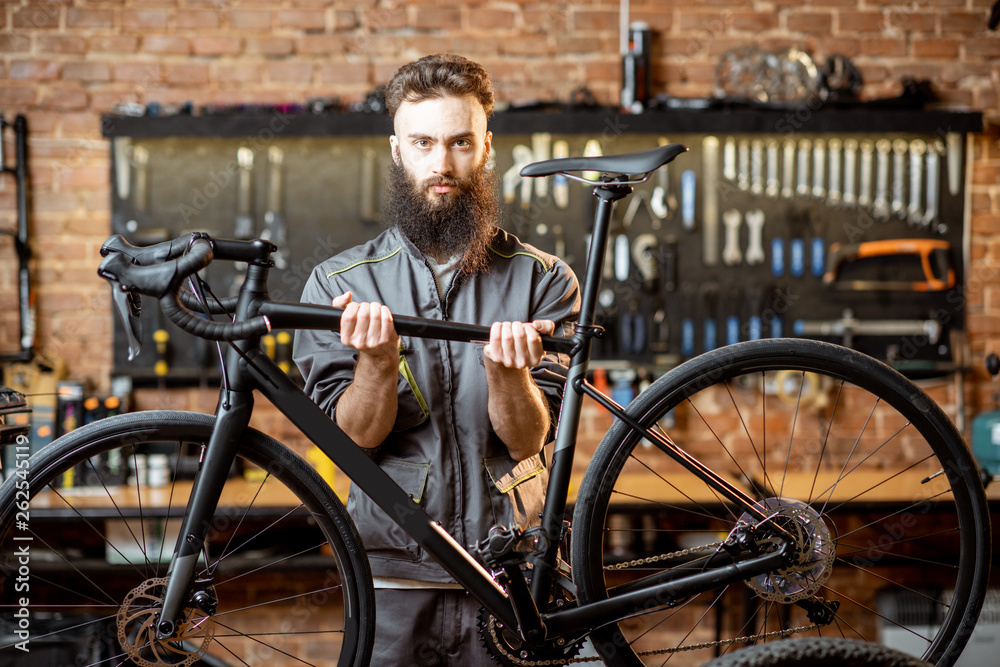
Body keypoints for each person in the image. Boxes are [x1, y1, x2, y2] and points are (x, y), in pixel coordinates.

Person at [293, 54, 580, 665]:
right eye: (423, 143)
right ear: (398, 150)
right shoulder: (335, 284)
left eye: (459, 143)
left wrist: (508, 374)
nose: (441, 165)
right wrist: (374, 364)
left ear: (486, 148)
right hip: (392, 583)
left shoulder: (544, 282)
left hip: (516, 576)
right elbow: (354, 440)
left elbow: (530, 438)